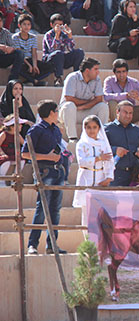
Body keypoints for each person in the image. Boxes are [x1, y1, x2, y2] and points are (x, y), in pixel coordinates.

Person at [22, 100, 67, 255]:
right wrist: (46, 156)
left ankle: (52, 244)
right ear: (51, 113)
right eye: (56, 110)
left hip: (57, 171)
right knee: (42, 208)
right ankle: (32, 244)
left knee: (55, 210)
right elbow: (25, 153)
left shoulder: (56, 130)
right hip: (44, 171)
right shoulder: (36, 130)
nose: (58, 113)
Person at [72, 115, 115, 225]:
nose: (92, 130)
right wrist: (98, 158)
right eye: (89, 127)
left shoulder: (103, 143)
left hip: (100, 178)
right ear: (84, 128)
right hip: (86, 177)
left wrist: (109, 177)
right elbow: (82, 161)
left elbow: (109, 160)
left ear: (99, 128)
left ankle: (99, 240)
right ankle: (88, 241)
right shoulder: (81, 144)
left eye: (94, 127)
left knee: (100, 212)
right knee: (86, 212)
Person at [59, 57, 109, 141]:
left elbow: (99, 99)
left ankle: (101, 137)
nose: (98, 72)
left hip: (84, 111)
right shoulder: (72, 78)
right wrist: (88, 102)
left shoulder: (97, 79)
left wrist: (83, 106)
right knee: (69, 105)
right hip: (68, 113)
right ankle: (73, 138)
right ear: (87, 71)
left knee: (103, 106)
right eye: (95, 69)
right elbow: (69, 98)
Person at [105, 100, 139, 186]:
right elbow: (100, 148)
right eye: (125, 112)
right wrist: (115, 150)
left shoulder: (136, 130)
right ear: (117, 112)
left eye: (130, 113)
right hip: (115, 174)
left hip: (134, 175)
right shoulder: (107, 129)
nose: (128, 116)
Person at [104, 58, 139, 130]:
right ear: (114, 73)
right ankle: (117, 130)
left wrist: (138, 98)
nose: (121, 75)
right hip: (117, 113)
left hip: (130, 113)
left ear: (127, 72)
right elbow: (106, 96)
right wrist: (126, 95)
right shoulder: (109, 81)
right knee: (111, 103)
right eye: (118, 72)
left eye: (124, 71)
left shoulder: (134, 82)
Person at [42, 13, 85, 87]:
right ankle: (58, 78)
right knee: (58, 53)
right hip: (50, 60)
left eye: (60, 25)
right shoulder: (48, 35)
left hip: (61, 59)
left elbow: (70, 49)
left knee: (79, 52)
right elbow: (52, 49)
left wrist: (70, 36)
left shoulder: (64, 34)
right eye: (56, 25)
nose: (59, 27)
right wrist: (57, 36)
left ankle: (77, 76)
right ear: (51, 25)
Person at [12, 14, 54, 86]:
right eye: (24, 24)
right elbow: (19, 53)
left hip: (31, 59)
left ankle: (30, 80)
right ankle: (35, 81)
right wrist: (29, 66)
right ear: (19, 25)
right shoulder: (15, 37)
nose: (26, 26)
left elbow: (34, 52)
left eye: (28, 24)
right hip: (21, 61)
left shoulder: (33, 37)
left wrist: (34, 65)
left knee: (51, 67)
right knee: (18, 67)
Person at [108, 0, 139, 69]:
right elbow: (114, 36)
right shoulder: (119, 18)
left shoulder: (135, 18)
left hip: (132, 44)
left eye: (134, 7)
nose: (133, 9)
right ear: (125, 8)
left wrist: (135, 22)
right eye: (130, 7)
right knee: (124, 41)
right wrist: (128, 34)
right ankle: (119, 65)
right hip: (117, 43)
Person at [0, 114, 27, 186]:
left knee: (22, 160)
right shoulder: (4, 134)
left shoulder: (17, 135)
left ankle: (15, 180)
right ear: (12, 126)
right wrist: (2, 153)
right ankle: (2, 181)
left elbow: (24, 144)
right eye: (19, 124)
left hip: (14, 155)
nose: (21, 126)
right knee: (6, 162)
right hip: (5, 156)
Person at [0, 13, 24, 81]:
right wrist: (2, 47)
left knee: (19, 53)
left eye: (0, 21)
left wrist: (10, 49)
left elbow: (13, 46)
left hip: (2, 58)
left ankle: (12, 80)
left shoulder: (6, 32)